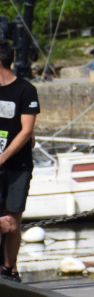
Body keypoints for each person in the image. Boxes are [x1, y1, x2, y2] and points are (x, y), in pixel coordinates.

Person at [0, 41, 38, 282]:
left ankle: (9, 269)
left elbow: (27, 131)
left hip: (17, 166)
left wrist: (3, 157)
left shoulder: (25, 90)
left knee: (13, 222)